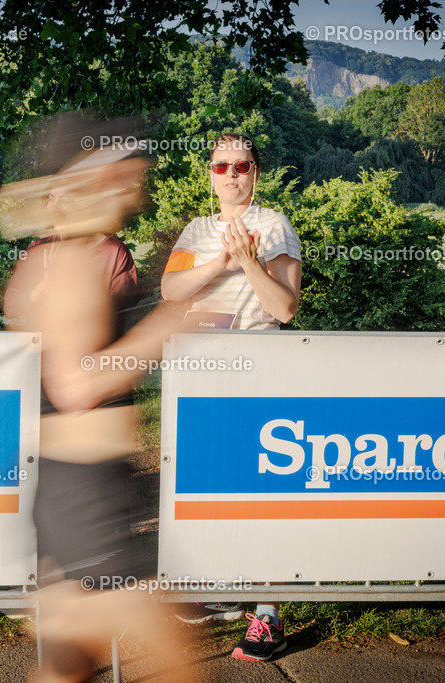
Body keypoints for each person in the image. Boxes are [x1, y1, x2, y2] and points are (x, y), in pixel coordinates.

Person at [0, 114, 188, 682]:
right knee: (180, 665)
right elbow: (77, 386)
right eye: (124, 172)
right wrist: (173, 321)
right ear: (90, 179)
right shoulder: (72, 265)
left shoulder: (65, 258)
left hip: (78, 488)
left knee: (66, 668)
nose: (135, 185)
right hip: (85, 499)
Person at [160, 133, 301, 662]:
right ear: (211, 175)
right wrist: (222, 260)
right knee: (207, 486)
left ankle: (268, 615)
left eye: (242, 165)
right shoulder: (197, 229)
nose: (232, 174)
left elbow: (285, 309)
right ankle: (217, 586)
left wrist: (249, 262)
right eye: (221, 167)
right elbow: (171, 290)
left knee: (260, 490)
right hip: (202, 374)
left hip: (257, 373)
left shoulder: (274, 224)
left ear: (256, 173)